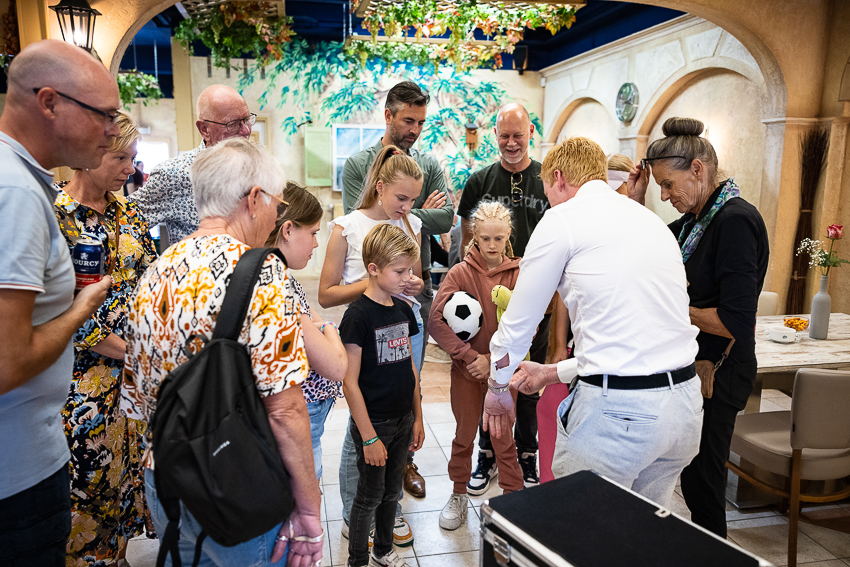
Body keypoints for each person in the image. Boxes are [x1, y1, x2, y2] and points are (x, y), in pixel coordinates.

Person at [121, 138, 323, 566]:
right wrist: (308, 506)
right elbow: (285, 412)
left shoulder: (158, 268)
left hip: (166, 475)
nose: (276, 214)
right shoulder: (262, 274)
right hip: (232, 479)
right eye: (276, 203)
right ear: (254, 199)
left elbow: (139, 398)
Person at [484, 136, 704, 509]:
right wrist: (552, 373)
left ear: (559, 178)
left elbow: (520, 321)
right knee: (639, 535)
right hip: (683, 408)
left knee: (582, 537)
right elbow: (634, 342)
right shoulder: (650, 222)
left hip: (621, 419)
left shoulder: (562, 219)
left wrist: (497, 387)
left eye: (547, 190)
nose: (549, 200)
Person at [0, 39, 115, 566]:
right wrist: (79, 308)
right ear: (49, 103)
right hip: (16, 476)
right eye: (104, 115)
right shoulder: (16, 193)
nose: (114, 130)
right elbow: (8, 361)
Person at [626, 117, 769, 537]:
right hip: (697, 365)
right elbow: (647, 242)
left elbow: (735, 321)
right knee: (691, 477)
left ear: (698, 170)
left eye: (668, 185)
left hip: (721, 372)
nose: (666, 196)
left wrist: (675, 306)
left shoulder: (734, 221)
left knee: (704, 482)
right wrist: (636, 202)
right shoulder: (695, 221)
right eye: (660, 187)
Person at [53, 112, 157, 564]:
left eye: (133, 159)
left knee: (125, 487)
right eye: (120, 158)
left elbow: (154, 277)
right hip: (85, 388)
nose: (130, 169)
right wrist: (137, 354)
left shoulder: (128, 213)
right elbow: (65, 315)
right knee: (86, 495)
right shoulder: (58, 218)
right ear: (90, 156)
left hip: (133, 383)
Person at [457, 103, 565, 493]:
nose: (511, 142)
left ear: (530, 133)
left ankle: (527, 453)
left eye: (518, 134)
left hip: (541, 304)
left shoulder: (549, 181)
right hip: (489, 308)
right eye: (504, 135)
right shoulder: (478, 181)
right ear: (495, 136)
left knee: (530, 383)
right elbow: (464, 242)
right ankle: (486, 455)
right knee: (494, 380)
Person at [320, 145, 424, 546]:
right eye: (401, 197)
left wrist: (410, 284)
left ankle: (388, 507)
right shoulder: (347, 226)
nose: (406, 206)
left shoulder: (408, 224)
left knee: (397, 421)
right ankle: (353, 511)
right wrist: (374, 284)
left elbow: (408, 279)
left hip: (398, 332)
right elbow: (327, 294)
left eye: (413, 199)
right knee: (359, 430)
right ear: (380, 187)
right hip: (361, 334)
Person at [428, 201, 524, 531]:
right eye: (486, 238)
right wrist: (470, 357)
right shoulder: (460, 273)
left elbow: (528, 325)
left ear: (508, 235)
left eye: (499, 238)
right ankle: (457, 494)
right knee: (464, 436)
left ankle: (513, 496)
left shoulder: (519, 274)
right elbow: (436, 321)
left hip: (502, 373)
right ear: (475, 237)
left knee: (503, 438)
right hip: (467, 373)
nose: (493, 245)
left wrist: (494, 362)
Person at [339, 223, 425, 567]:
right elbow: (349, 382)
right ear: (373, 269)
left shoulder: (403, 310)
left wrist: (417, 417)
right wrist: (369, 436)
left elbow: (411, 370)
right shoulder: (357, 316)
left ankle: (383, 549)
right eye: (399, 270)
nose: (408, 277)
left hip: (403, 418)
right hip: (375, 423)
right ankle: (357, 559)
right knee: (369, 497)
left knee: (393, 493)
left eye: (409, 270)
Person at [267, 181, 347, 480]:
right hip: (301, 413)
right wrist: (328, 329)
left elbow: (315, 320)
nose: (316, 243)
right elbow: (336, 365)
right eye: (312, 233)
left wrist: (322, 327)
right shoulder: (276, 287)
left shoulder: (284, 278)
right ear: (287, 230)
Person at [130, 84, 255, 242]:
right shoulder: (175, 174)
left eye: (247, 120)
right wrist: (151, 264)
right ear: (204, 129)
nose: (246, 131)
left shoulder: (256, 168)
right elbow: (122, 224)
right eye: (232, 124)